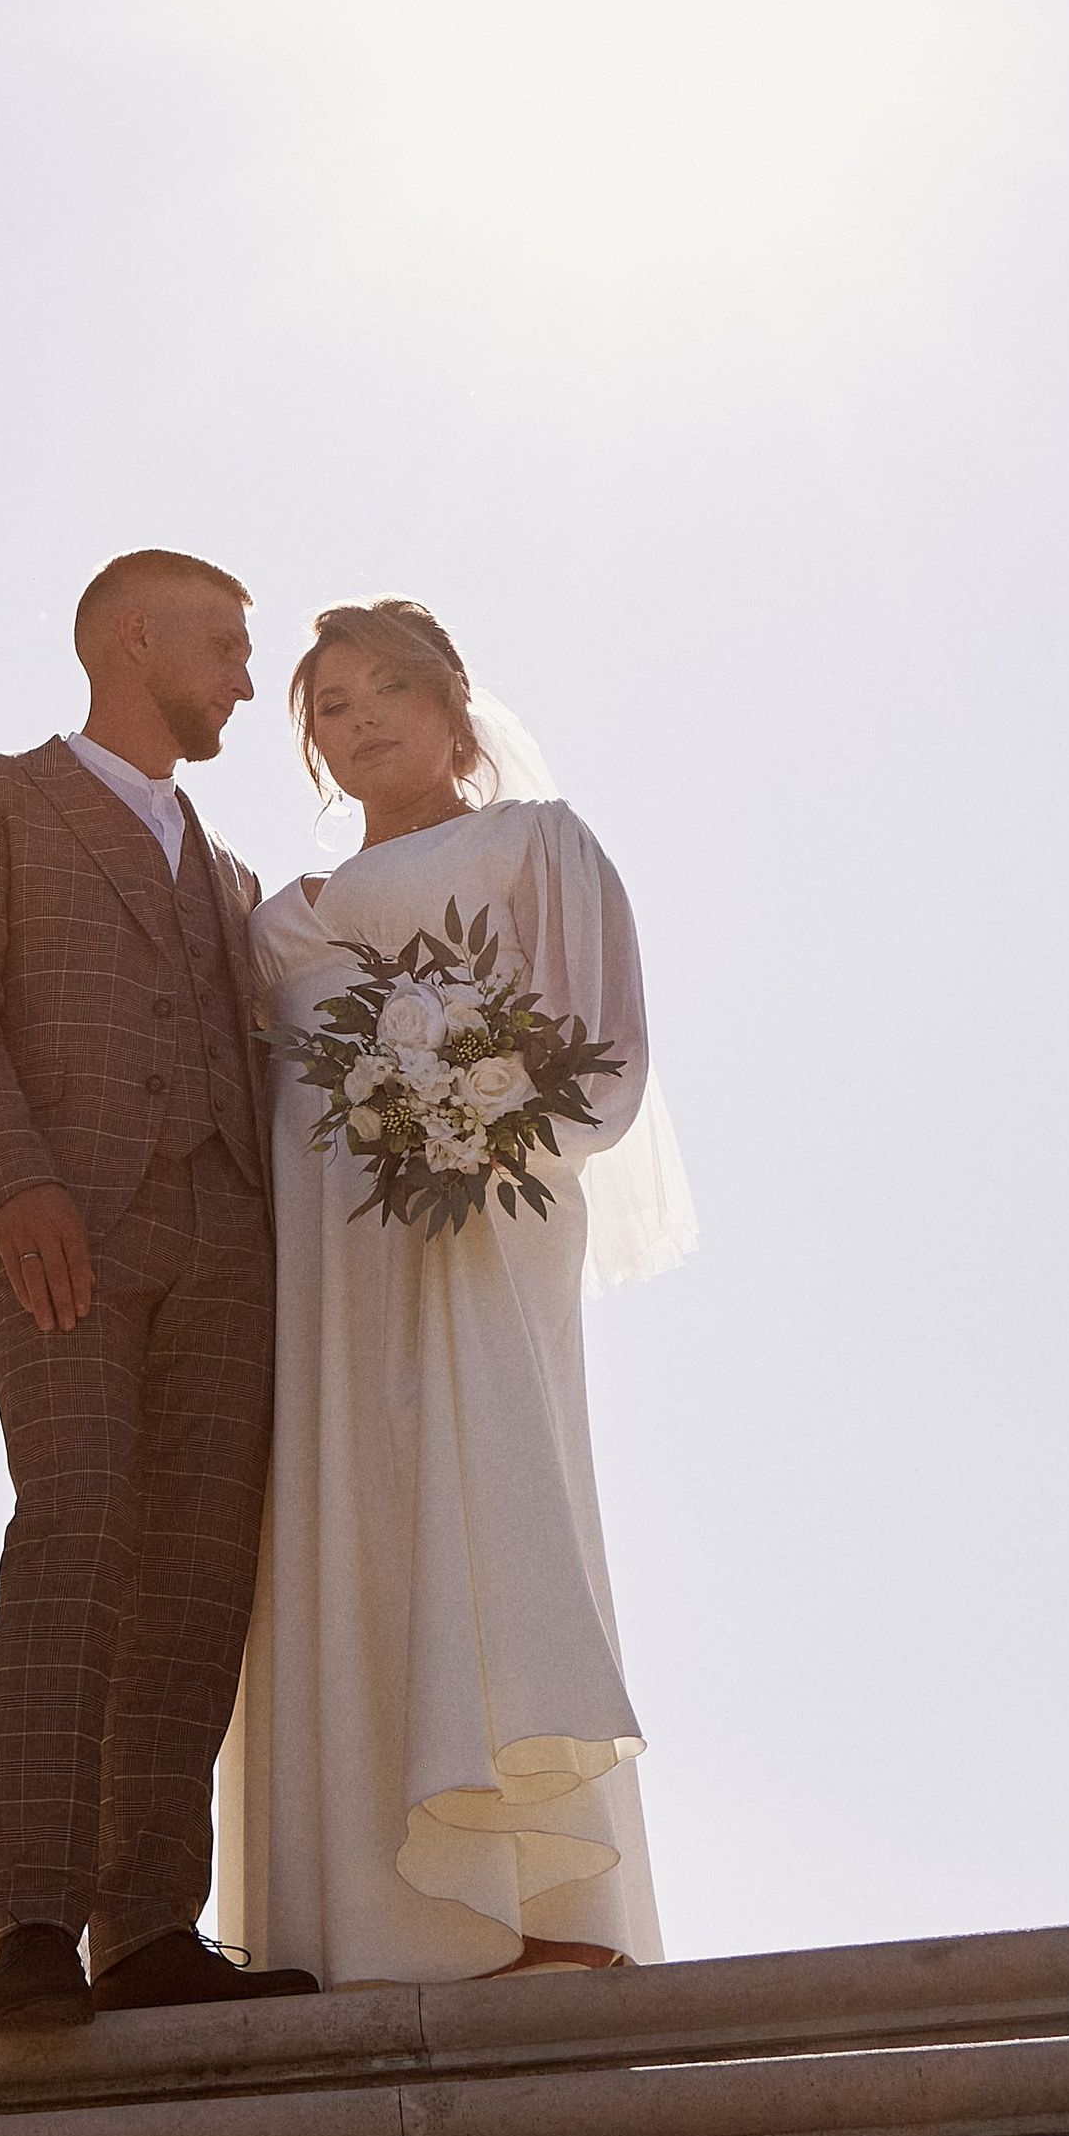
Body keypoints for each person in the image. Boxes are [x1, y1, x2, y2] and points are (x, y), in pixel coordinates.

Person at [220, 598, 693, 1986]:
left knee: (479, 1504)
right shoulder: (278, 923)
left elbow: (601, 1053)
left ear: (449, 706)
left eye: (381, 695)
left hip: (477, 1236)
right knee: (339, 1520)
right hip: (323, 1276)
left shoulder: (537, 846)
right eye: (328, 706)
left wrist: (472, 1127)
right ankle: (366, 1922)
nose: (355, 724)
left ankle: (537, 1908)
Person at [0, 551, 321, 2030]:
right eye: (226, 648)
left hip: (230, 1246)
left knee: (201, 1575)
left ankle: (151, 1925)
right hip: (60, 1227)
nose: (248, 684)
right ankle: (33, 1920)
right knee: (76, 1526)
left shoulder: (230, 874)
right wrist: (16, 1180)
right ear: (134, 640)